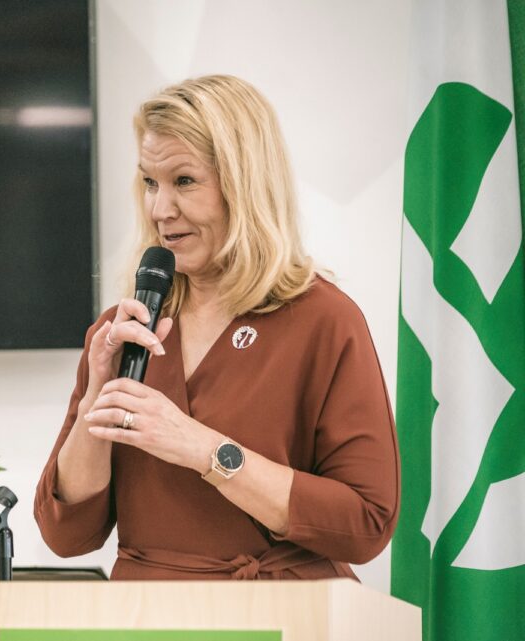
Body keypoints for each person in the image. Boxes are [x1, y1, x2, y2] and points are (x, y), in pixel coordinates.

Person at [33, 75, 400, 580]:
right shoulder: (125, 328)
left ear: (245, 186)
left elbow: (364, 524)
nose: (160, 210)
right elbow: (67, 534)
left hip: (285, 609)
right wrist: (97, 394)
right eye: (149, 183)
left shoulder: (325, 319)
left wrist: (205, 450)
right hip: (144, 611)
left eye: (184, 181)